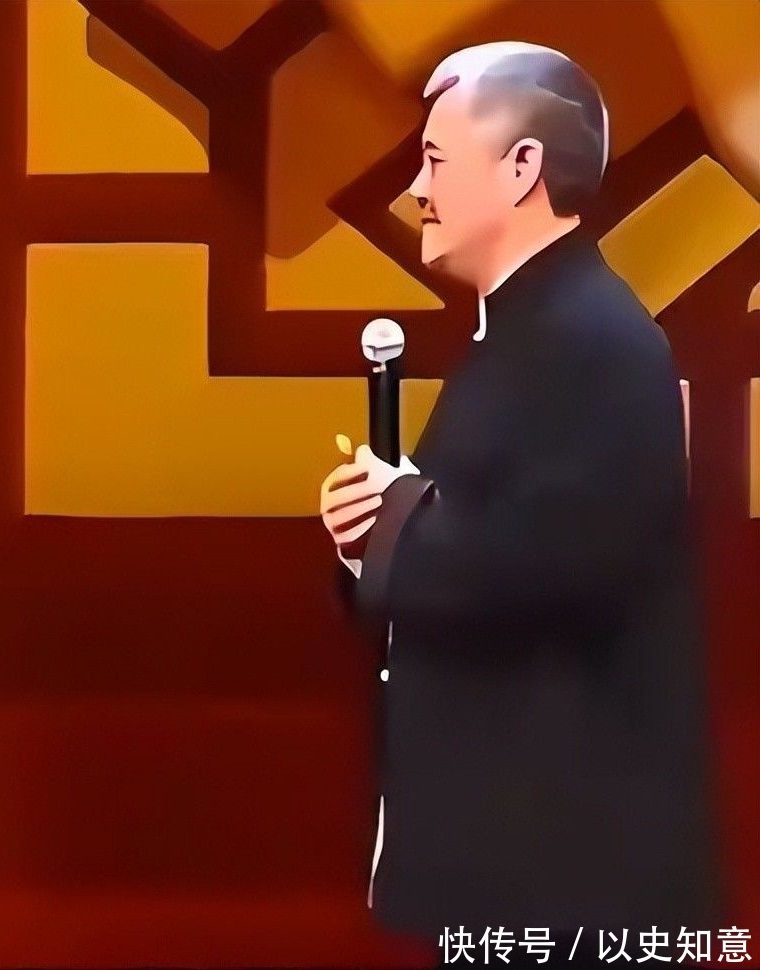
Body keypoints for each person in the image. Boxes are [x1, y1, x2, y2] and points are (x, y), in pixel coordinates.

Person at [320, 43, 718, 965]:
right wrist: (368, 533)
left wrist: (400, 517)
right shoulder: (522, 336)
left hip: (576, 867)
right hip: (522, 854)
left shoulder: (601, 341)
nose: (416, 189)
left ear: (522, 167)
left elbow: (561, 564)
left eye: (435, 160)